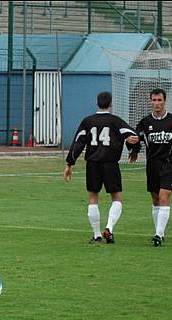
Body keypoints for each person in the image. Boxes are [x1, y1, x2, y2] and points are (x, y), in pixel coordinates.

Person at [64, 91, 140, 244]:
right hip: (110, 163)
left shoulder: (88, 121)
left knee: (93, 197)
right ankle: (109, 228)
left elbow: (78, 143)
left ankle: (97, 234)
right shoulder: (116, 121)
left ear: (96, 103)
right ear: (111, 103)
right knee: (117, 198)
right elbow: (134, 135)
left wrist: (69, 163)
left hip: (92, 164)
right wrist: (134, 150)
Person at [131, 88, 172, 246]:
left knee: (164, 196)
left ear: (165, 101)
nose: (156, 103)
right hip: (152, 165)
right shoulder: (145, 122)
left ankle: (158, 235)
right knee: (155, 198)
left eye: (159, 100)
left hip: (169, 164)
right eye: (154, 100)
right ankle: (160, 231)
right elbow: (137, 138)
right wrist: (134, 151)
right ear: (150, 101)